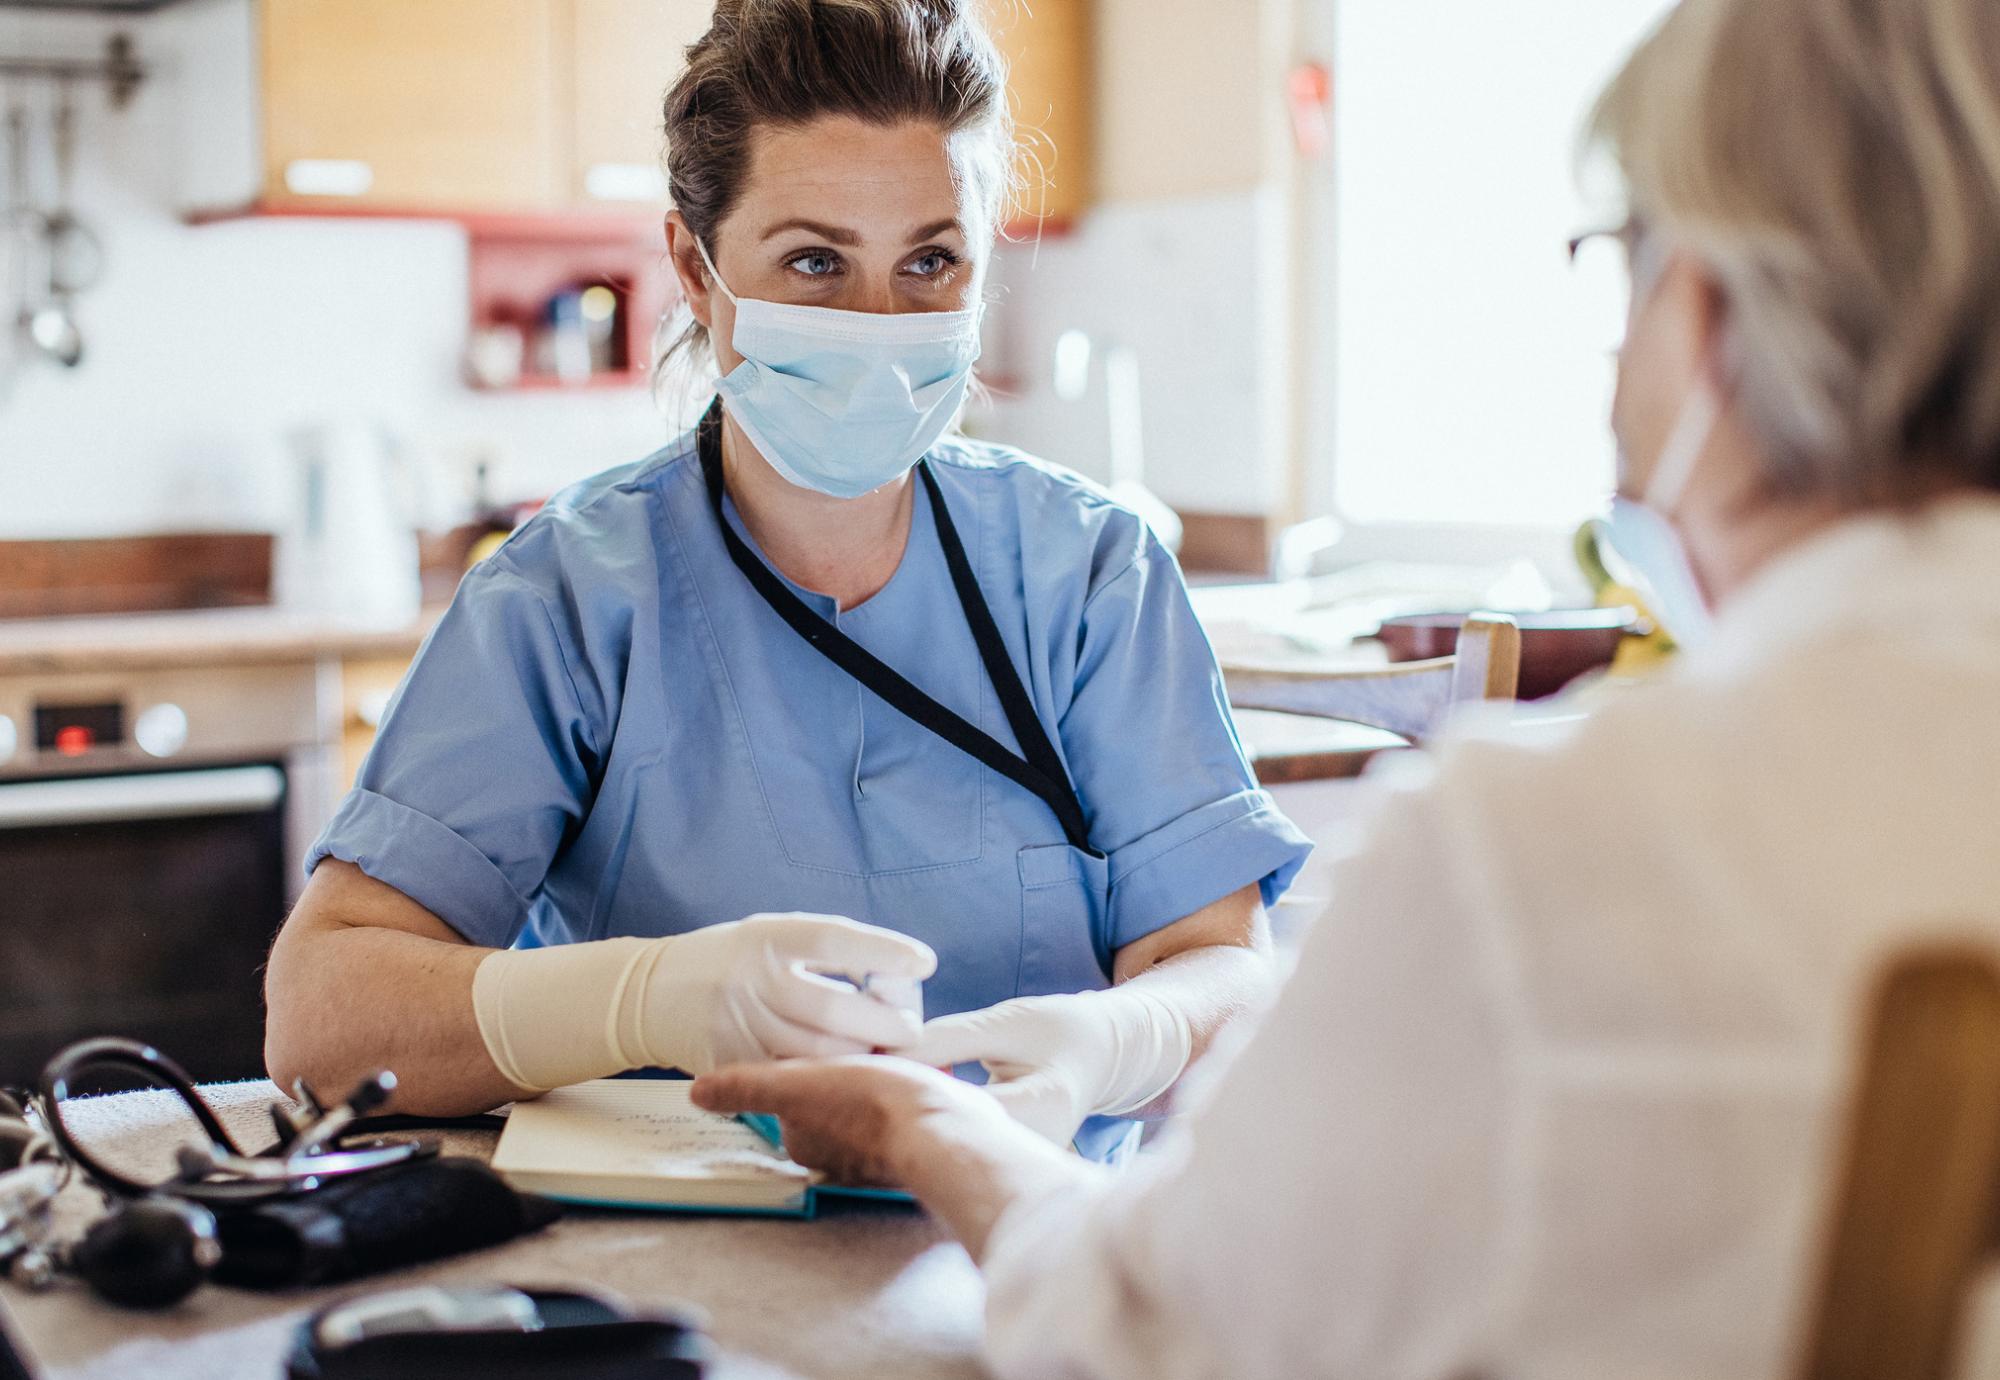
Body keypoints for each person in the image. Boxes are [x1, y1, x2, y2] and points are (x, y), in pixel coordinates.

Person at [690, 0, 2000, 1373]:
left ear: (1712, 310)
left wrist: (930, 1130)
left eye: (1625, 260)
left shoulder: (1546, 850)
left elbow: (1150, 1339)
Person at [261, 0, 1311, 1163]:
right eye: (813, 261)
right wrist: (643, 998)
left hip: (1026, 1256)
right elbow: (322, 1019)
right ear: (694, 270)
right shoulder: (565, 598)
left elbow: (1216, 965)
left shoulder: (1088, 576)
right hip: (669, 1270)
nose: (879, 322)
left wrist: (1105, 1045)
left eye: (929, 261)